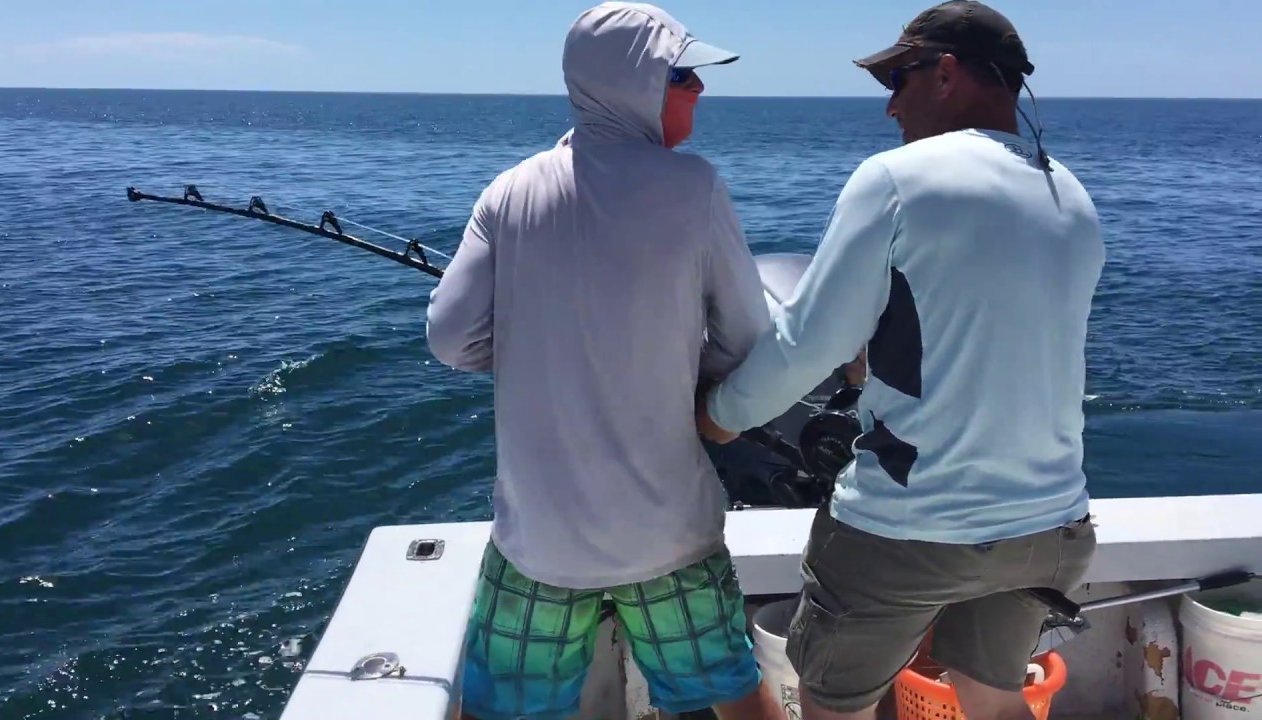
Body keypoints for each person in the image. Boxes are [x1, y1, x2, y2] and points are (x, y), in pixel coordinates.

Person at [696, 2, 1105, 719]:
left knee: (834, 705)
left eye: (898, 78)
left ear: (945, 74)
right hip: (1050, 533)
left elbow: (804, 345)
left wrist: (720, 416)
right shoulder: (1070, 193)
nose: (889, 106)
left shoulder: (896, 178)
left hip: (909, 533)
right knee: (994, 697)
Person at [426, 3, 783, 719]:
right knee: (736, 699)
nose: (699, 90)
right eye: (683, 75)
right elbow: (751, 341)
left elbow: (449, 338)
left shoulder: (510, 190)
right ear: (636, 82)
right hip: (670, 537)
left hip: (539, 542)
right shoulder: (694, 187)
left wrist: (536, 344)